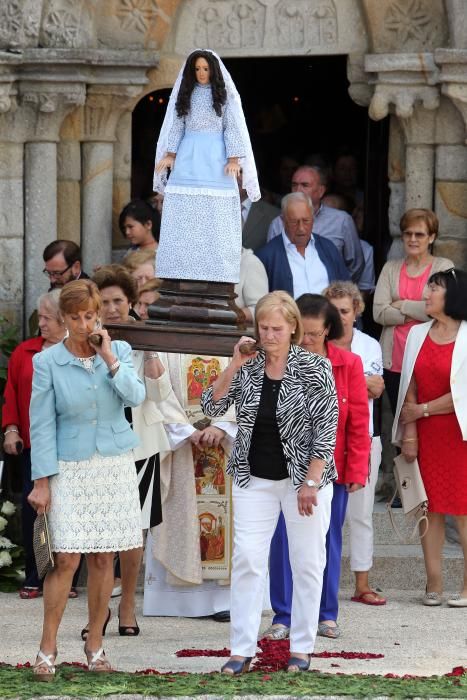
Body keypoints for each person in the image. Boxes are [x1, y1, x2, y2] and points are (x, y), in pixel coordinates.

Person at [201, 291, 339, 673]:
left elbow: (326, 430)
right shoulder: (248, 365)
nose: (269, 335)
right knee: (246, 559)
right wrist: (233, 363)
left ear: (293, 327)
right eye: (263, 327)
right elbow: (210, 407)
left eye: (277, 328)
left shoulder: (314, 367)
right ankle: (240, 650)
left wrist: (311, 481)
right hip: (253, 478)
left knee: (307, 562)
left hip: (303, 480)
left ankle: (302, 646)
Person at [27, 279, 145, 677]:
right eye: (74, 318)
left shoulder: (121, 351)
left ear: (98, 315)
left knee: (102, 557)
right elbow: (41, 424)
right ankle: (47, 648)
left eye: (89, 316)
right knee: (65, 559)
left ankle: (95, 644)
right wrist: (41, 482)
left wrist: (109, 357)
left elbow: (135, 397)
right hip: (69, 466)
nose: (82, 324)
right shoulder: (46, 362)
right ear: (63, 319)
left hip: (113, 463)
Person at [143, 251, 266, 621]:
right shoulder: (162, 339)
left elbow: (251, 389)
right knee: (183, 516)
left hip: (224, 449)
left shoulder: (239, 341)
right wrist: (185, 431)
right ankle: (177, 601)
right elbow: (156, 392)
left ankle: (222, 602)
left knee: (226, 524)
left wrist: (222, 425)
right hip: (181, 449)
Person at [267, 294, 370, 641]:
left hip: (332, 470)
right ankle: (283, 614)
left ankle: (326, 614)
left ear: (327, 330)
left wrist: (357, 469)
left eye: (313, 334)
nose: (305, 340)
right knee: (282, 540)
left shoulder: (349, 364)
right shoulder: (281, 361)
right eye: (301, 333)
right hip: (284, 469)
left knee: (328, 541)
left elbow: (357, 421)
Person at [393, 268, 467, 607]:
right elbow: (408, 384)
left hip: (459, 434)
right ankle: (433, 581)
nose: (426, 292)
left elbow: (462, 394)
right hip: (425, 435)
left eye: (433, 287)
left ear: (451, 294)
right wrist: (410, 432)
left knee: (463, 512)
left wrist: (421, 410)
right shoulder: (416, 334)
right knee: (429, 509)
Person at [154, 49, 259, 284]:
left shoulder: (221, 96)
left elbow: (231, 127)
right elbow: (177, 126)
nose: (202, 73)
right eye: (197, 69)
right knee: (186, 208)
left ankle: (213, 259)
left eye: (205, 68)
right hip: (188, 155)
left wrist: (233, 159)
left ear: (213, 70)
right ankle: (183, 259)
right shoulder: (187, 95)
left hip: (214, 156)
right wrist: (170, 154)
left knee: (214, 210)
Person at [2, 290, 81, 600]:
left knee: (69, 510)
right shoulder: (25, 352)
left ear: (64, 319)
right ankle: (35, 573)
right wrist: (11, 430)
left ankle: (68, 577)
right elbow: (10, 393)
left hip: (72, 447)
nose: (41, 323)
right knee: (33, 507)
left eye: (47, 318)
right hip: (34, 445)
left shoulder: (79, 351)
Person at [323, 282, 386, 605]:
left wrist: (342, 380)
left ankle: (362, 583)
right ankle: (320, 587)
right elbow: (364, 385)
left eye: (345, 311)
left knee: (360, 514)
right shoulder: (316, 345)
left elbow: (376, 389)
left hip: (363, 437)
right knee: (321, 520)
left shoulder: (369, 344)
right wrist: (357, 381)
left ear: (357, 311)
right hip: (324, 440)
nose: (339, 317)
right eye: (333, 311)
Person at [373, 209, 453, 416]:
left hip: (428, 359)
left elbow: (442, 309)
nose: (412, 239)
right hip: (394, 360)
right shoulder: (390, 268)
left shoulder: (443, 267)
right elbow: (379, 312)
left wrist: (402, 304)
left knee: (426, 418)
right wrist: (420, 309)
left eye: (420, 234)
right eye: (408, 234)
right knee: (400, 421)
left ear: (432, 237)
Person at [266, 165, 364, 282]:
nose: (298, 190)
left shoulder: (341, 221)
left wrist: (338, 291)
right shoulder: (278, 223)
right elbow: (271, 264)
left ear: (321, 191)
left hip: (328, 297)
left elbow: (356, 265)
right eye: (294, 185)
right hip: (290, 296)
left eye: (305, 185)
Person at [256, 192, 350, 298]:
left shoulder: (328, 248)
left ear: (313, 218)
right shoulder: (266, 256)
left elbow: (345, 290)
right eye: (294, 222)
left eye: (306, 221)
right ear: (283, 221)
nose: (301, 228)